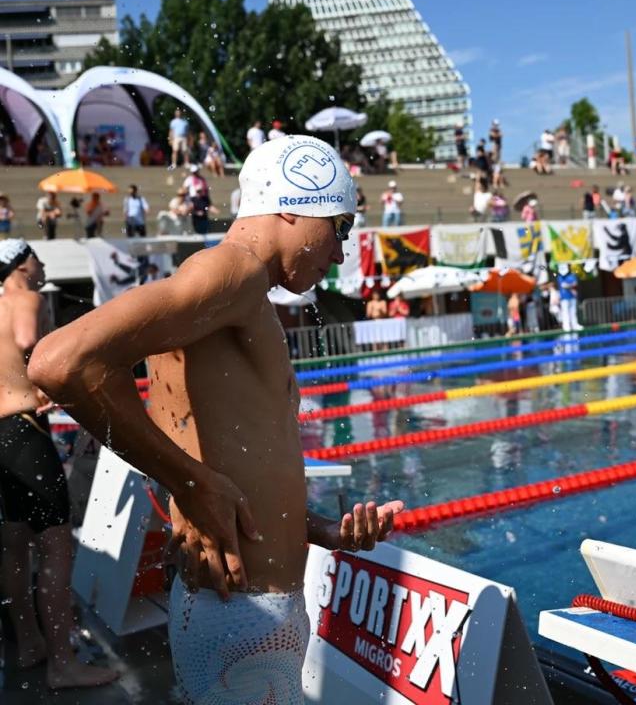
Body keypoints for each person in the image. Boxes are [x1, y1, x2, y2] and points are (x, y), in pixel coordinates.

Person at [28, 136, 403, 703]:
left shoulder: (238, 293)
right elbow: (59, 363)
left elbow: (232, 459)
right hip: (243, 617)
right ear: (293, 207)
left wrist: (316, 528)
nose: (340, 252)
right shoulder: (234, 272)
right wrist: (190, 483)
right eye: (340, 227)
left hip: (246, 613)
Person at [0, 239, 119, 690]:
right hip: (26, 432)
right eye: (36, 258)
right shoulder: (24, 298)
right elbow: (29, 342)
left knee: (13, 545)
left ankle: (30, 644)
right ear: (20, 264)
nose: (42, 264)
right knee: (55, 546)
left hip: (1, 436)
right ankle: (63, 663)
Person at [557, 263, 582, 331]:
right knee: (565, 312)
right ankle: (566, 326)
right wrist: (571, 286)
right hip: (564, 297)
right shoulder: (560, 277)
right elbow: (563, 285)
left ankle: (575, 325)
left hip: (572, 296)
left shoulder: (572, 275)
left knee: (573, 311)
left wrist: (569, 286)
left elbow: (575, 283)